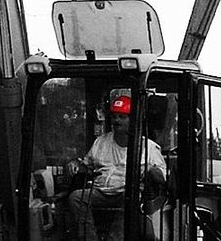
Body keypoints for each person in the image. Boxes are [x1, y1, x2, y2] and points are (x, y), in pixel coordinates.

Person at [68, 95, 166, 240]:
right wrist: (75, 165)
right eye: (114, 117)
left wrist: (150, 169)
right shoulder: (101, 142)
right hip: (101, 191)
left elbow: (162, 177)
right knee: (76, 197)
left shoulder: (148, 147)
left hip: (127, 193)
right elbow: (86, 166)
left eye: (122, 117)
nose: (116, 121)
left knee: (129, 200)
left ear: (132, 120)